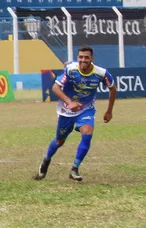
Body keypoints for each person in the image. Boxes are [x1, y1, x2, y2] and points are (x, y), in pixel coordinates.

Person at [33, 46, 116, 183]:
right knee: (60, 141)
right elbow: (55, 87)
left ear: (92, 59)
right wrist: (69, 102)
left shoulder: (101, 73)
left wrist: (109, 111)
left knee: (87, 133)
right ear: (78, 58)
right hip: (67, 110)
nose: (83, 60)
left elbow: (112, 88)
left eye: (86, 57)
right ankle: (46, 160)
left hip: (86, 109)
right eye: (80, 57)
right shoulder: (71, 70)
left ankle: (75, 169)